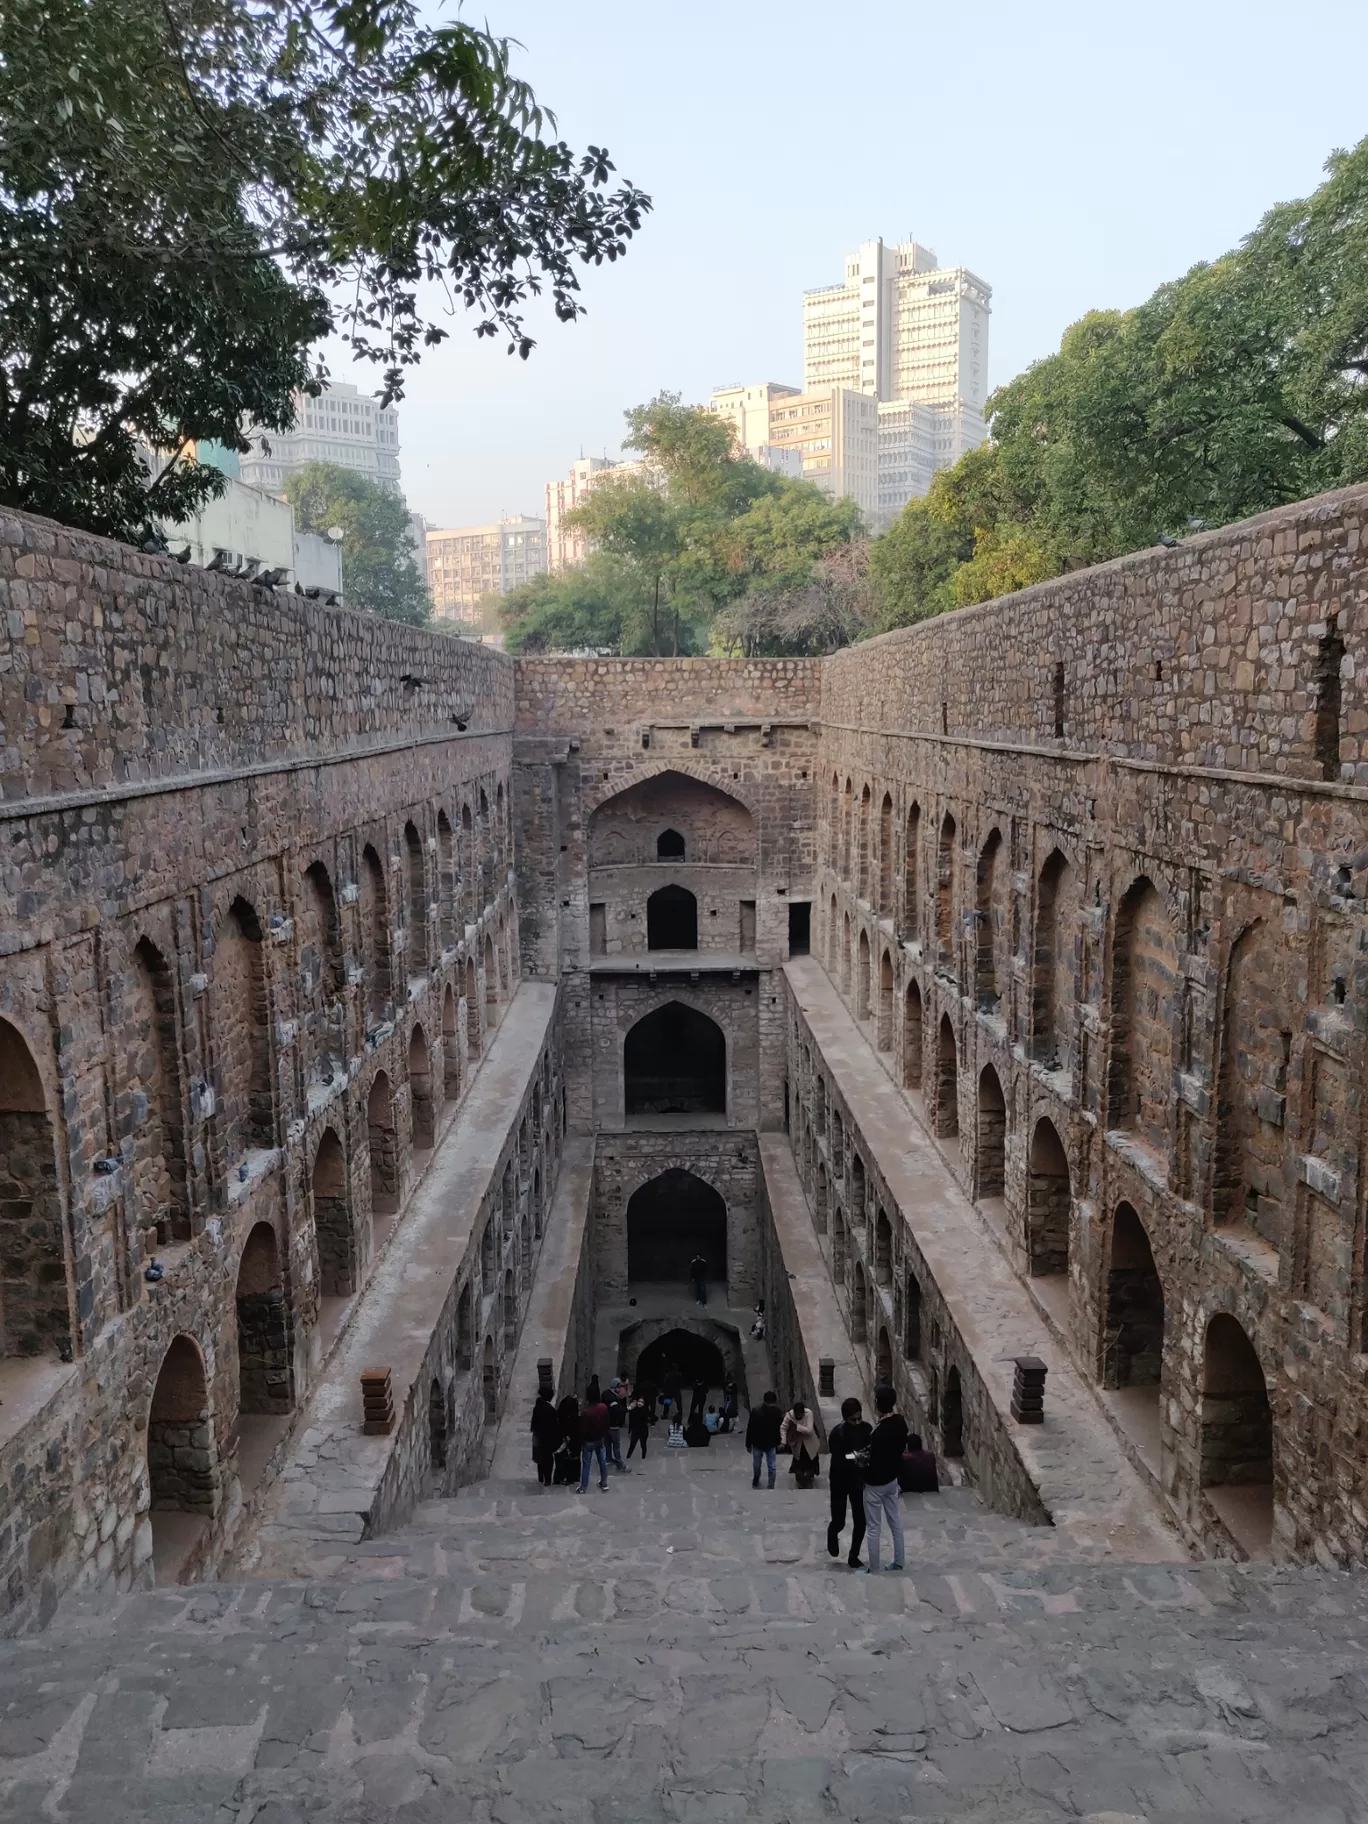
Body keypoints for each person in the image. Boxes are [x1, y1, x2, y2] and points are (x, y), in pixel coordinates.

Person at [860, 1384, 909, 1572]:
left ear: (878, 1404)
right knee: (895, 1521)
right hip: (892, 1479)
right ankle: (899, 1561)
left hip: (875, 1483)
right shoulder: (901, 1423)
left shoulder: (879, 1432)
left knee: (873, 1527)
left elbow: (873, 1458)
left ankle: (873, 1569)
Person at [827, 1396, 872, 1566]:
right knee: (839, 1520)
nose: (858, 1422)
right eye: (853, 1419)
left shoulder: (867, 1429)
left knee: (860, 1520)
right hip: (839, 1479)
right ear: (845, 1418)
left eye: (859, 1418)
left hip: (857, 1480)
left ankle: (854, 1555)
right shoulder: (837, 1434)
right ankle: (832, 1532)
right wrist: (856, 1456)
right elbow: (840, 1457)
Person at [745, 1390, 784, 1489]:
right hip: (770, 1443)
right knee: (771, 1466)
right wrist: (780, 1441)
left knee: (758, 1464)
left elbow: (750, 1428)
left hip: (759, 1442)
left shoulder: (756, 1411)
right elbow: (780, 1428)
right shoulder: (777, 1412)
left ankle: (758, 1479)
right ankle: (770, 1485)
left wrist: (748, 1444)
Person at [579, 1386, 611, 1493]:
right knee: (602, 1460)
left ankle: (583, 1487)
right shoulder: (603, 1408)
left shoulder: (586, 1412)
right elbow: (607, 1423)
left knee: (586, 1464)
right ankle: (604, 1483)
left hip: (588, 1441)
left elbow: (583, 1429)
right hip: (600, 1438)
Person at [781, 1400, 819, 1489]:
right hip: (797, 1443)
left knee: (811, 1460)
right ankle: (800, 1481)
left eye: (800, 1415)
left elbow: (809, 1430)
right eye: (797, 1415)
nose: (799, 1416)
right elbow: (783, 1428)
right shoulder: (789, 1416)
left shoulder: (809, 1413)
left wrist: (797, 1427)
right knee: (799, 1462)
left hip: (809, 1442)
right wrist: (783, 1441)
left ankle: (809, 1478)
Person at [530, 1388, 562, 1488]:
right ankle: (547, 1479)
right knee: (548, 1459)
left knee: (540, 1458)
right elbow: (555, 1426)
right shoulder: (550, 1410)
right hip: (547, 1438)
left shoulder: (537, 1406)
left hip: (538, 1436)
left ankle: (541, 1477)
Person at [604, 1376, 631, 1474]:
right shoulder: (612, 1398)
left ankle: (608, 1460)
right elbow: (616, 1411)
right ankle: (620, 1465)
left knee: (607, 1445)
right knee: (616, 1446)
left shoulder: (605, 1394)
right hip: (613, 1426)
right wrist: (628, 1408)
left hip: (605, 1425)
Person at [554, 1394, 581, 1486]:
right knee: (574, 1460)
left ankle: (560, 1478)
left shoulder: (560, 1418)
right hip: (574, 1444)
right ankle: (573, 1477)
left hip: (563, 1443)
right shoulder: (575, 1417)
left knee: (562, 1461)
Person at [627, 1394, 652, 1460]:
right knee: (632, 1445)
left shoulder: (646, 1410)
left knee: (643, 1445)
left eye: (642, 1402)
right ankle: (628, 1457)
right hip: (635, 1430)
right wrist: (629, 1431)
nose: (640, 1403)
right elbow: (631, 1422)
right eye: (639, 1401)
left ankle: (643, 1457)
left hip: (643, 1430)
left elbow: (651, 1419)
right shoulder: (633, 1411)